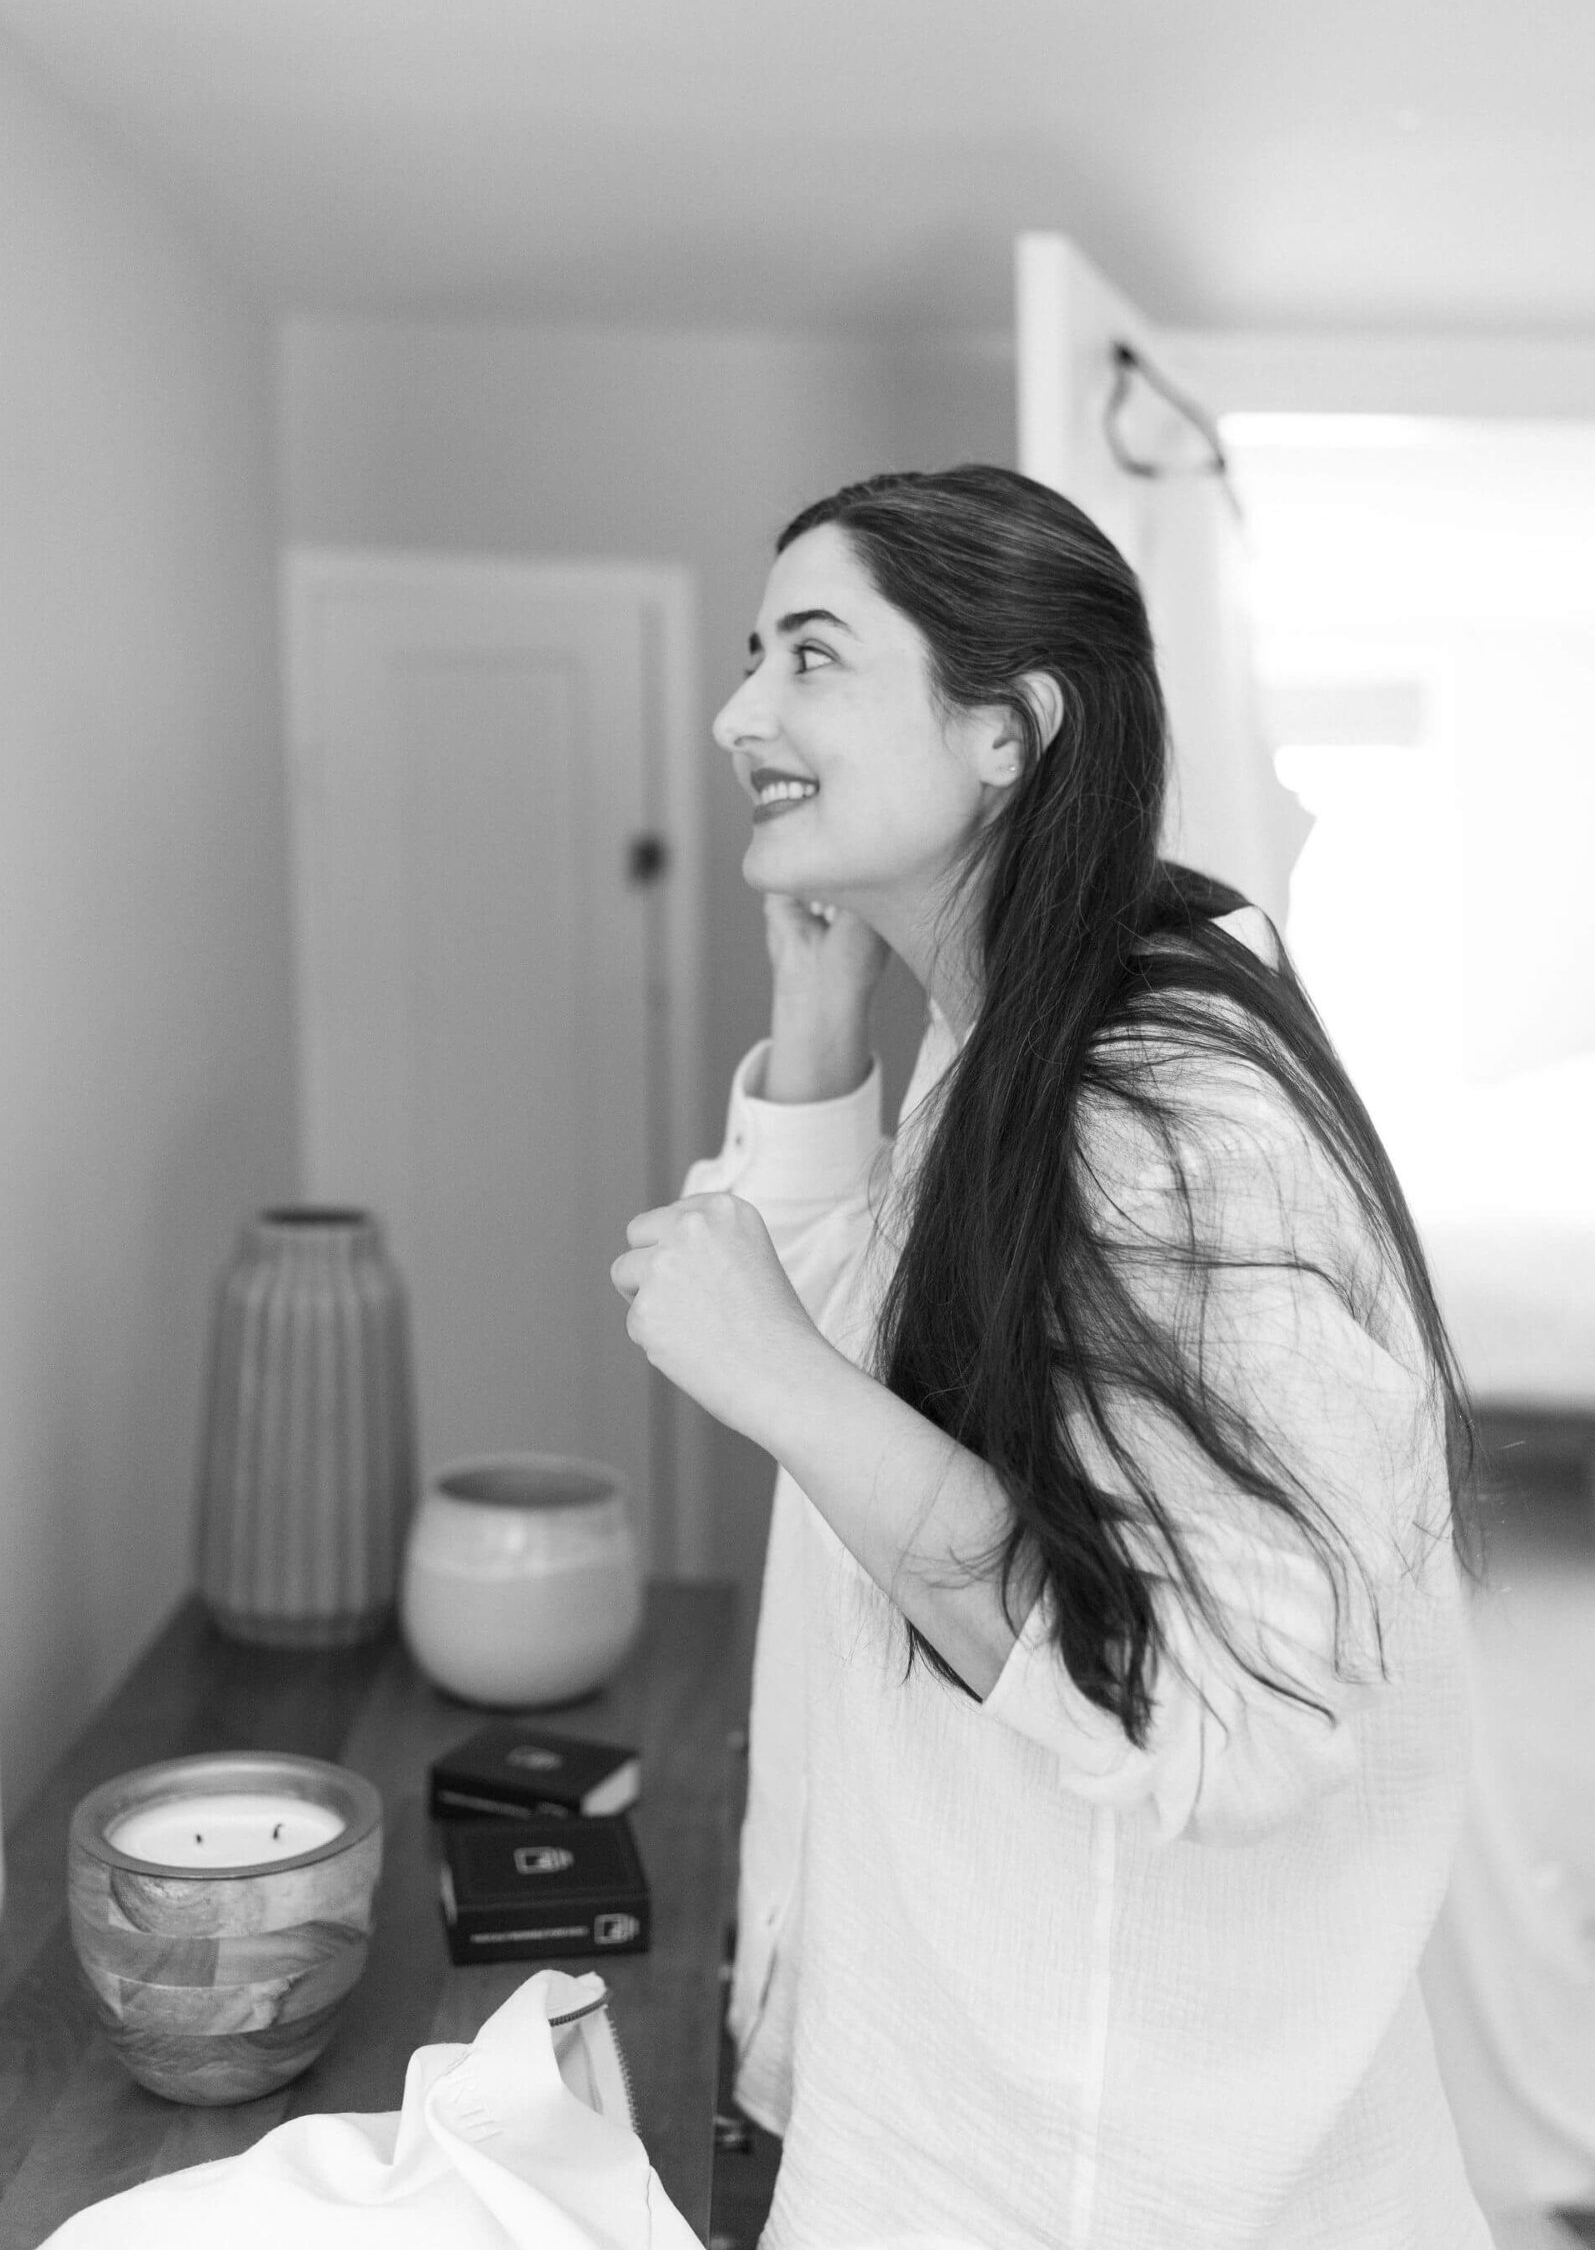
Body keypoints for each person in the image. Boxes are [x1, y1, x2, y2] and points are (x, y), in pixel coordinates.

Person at [609, 465, 1492, 2250]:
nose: (736, 711)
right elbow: (905, 1344)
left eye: (811, 656)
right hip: (982, 2096)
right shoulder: (1020, 1020)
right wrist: (815, 1013)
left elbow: (1217, 1704)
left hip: (1112, 2176)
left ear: (1009, 731)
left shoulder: (1167, 1115)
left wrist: (770, 1374)